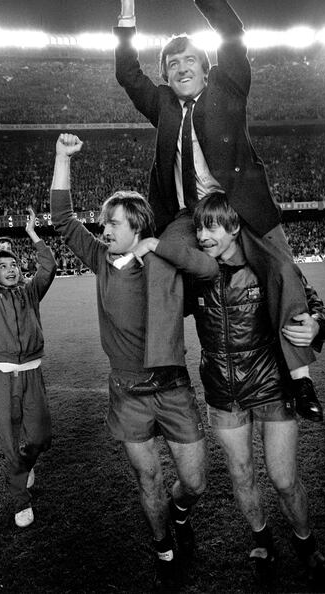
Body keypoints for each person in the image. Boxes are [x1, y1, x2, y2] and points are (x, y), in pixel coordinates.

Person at [110, 0, 325, 423]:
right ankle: (165, 370)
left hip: (240, 208)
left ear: (207, 70)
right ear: (166, 75)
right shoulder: (164, 105)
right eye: (172, 64)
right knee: (161, 266)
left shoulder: (229, 89)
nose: (181, 68)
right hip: (189, 215)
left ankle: (300, 377)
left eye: (190, 61)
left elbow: (232, 33)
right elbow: (128, 74)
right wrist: (127, 14)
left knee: (283, 271)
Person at [132, 192, 325, 590]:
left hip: (271, 386)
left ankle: (305, 542)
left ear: (235, 227)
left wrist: (318, 324)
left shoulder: (267, 264)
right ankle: (261, 541)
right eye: (199, 228)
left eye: (212, 227)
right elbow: (160, 300)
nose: (203, 237)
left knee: (284, 479)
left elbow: (311, 304)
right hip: (222, 391)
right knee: (241, 476)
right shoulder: (194, 273)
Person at [50, 132, 217, 592]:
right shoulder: (102, 260)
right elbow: (62, 219)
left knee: (195, 482)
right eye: (104, 224)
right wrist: (62, 158)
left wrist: (157, 249)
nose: (105, 231)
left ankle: (179, 516)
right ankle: (163, 546)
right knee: (148, 478)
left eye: (115, 225)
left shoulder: (162, 261)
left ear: (139, 227)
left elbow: (209, 270)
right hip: (127, 393)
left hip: (173, 387)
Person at [0, 209, 55, 528]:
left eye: (14, 265)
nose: (10, 269)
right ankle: (21, 500)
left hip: (32, 373)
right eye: (3, 266)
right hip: (3, 377)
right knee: (9, 440)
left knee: (40, 436)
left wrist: (34, 235)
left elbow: (48, 267)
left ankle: (25, 463)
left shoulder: (31, 292)